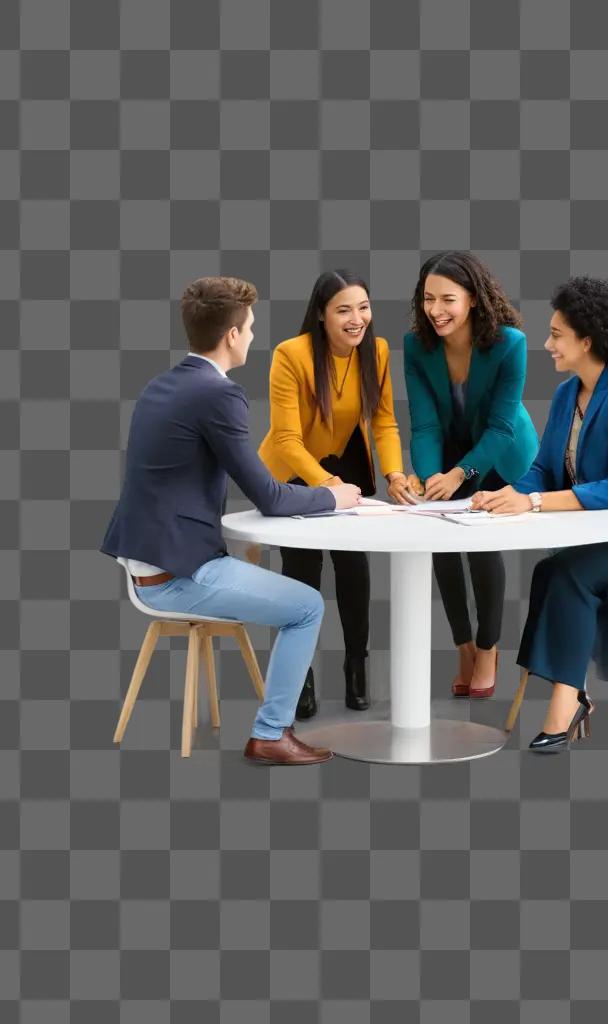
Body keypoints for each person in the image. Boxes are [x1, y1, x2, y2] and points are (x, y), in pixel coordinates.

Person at [101, 276, 363, 766]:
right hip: (176, 576)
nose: (253, 335)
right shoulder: (218, 395)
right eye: (251, 327)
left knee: (287, 591)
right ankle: (270, 735)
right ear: (232, 336)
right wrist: (334, 497)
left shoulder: (161, 385)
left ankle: (273, 730)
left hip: (147, 565)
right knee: (307, 606)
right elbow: (266, 494)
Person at [471, 277, 608, 753]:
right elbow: (543, 470)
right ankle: (572, 694)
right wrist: (505, 493)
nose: (547, 343)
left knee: (571, 573)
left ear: (587, 340)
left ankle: (566, 702)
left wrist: (531, 503)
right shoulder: (564, 396)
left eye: (556, 334)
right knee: (552, 570)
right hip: (605, 544)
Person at [258, 270, 413, 719]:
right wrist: (328, 490)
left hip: (346, 459)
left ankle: (356, 668)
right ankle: (299, 676)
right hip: (296, 467)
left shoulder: (377, 352)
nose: (356, 319)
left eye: (363, 307)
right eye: (343, 310)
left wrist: (396, 475)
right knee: (301, 568)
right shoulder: (292, 354)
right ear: (322, 315)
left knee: (353, 565)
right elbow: (286, 439)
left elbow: (383, 422)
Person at [403, 251, 539, 698]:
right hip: (448, 451)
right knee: (439, 541)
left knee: (481, 547)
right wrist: (428, 478)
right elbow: (423, 424)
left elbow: (501, 426)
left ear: (474, 300)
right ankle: (463, 645)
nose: (436, 311)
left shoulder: (510, 343)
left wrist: (462, 474)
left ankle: (488, 648)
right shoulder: (415, 346)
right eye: (428, 299)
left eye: (448, 300)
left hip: (499, 455)